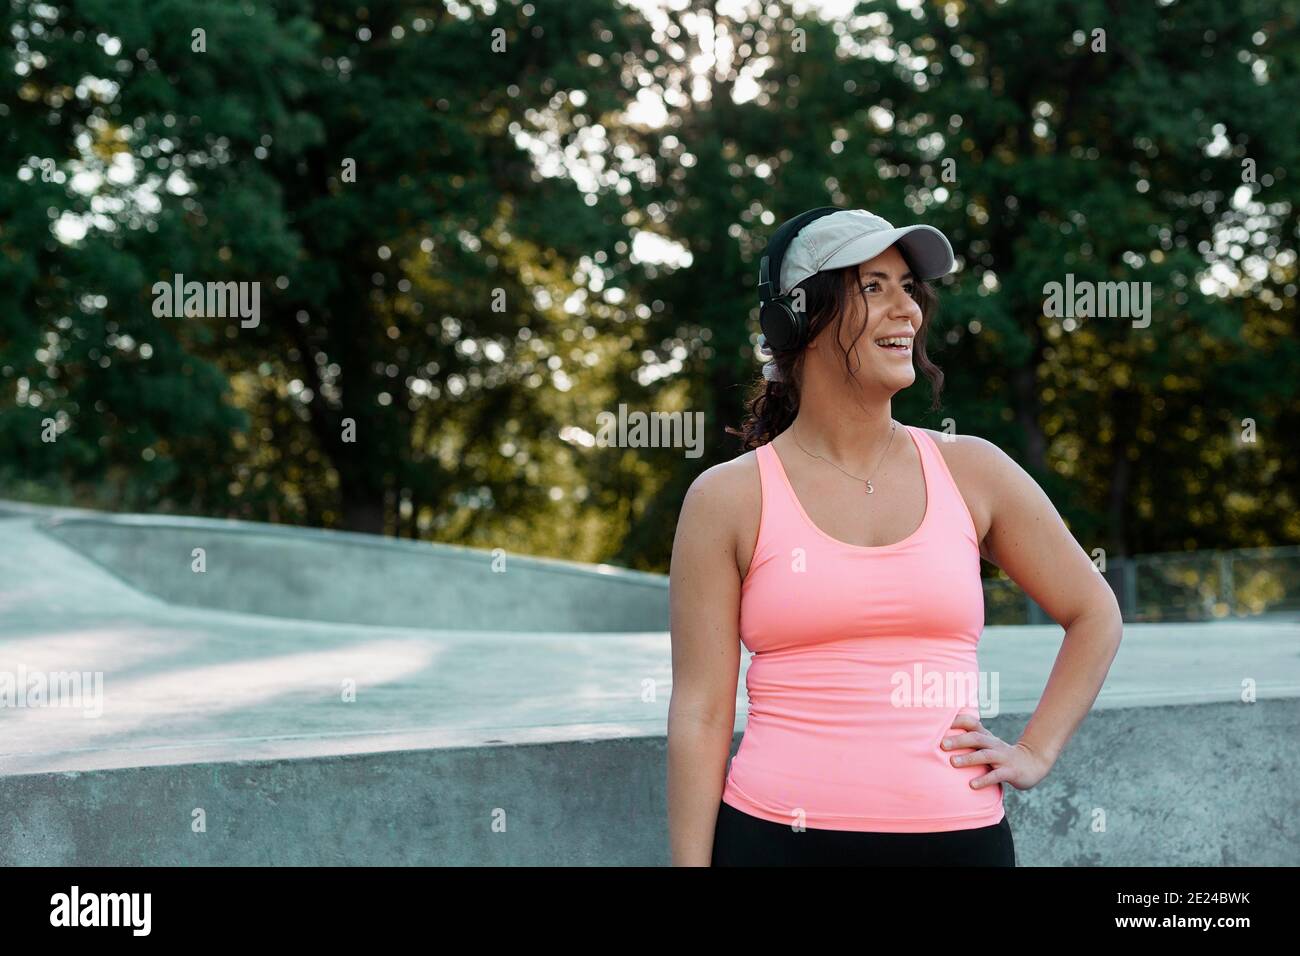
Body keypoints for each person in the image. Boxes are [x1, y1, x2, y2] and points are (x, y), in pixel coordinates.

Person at [666, 207, 1123, 866]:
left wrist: (1034, 751)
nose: (906, 307)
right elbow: (701, 710)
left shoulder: (974, 470)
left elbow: (1094, 612)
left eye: (909, 287)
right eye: (873, 286)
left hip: (959, 844)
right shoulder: (726, 498)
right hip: (775, 842)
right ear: (798, 317)